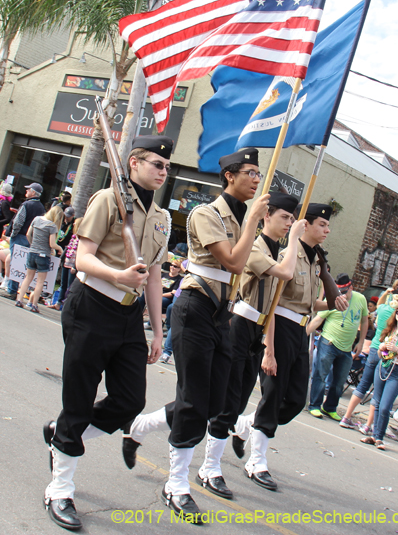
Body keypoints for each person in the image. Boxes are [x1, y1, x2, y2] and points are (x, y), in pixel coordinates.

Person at [122, 149, 270, 521]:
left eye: (258, 173)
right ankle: (177, 484)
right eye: (250, 172)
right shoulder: (207, 214)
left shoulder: (245, 218)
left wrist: (256, 222)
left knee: (218, 403)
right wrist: (253, 221)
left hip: (224, 315)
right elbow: (233, 262)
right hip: (195, 306)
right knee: (192, 400)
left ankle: (141, 425)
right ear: (229, 176)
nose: (256, 179)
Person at [43, 136, 172, 531]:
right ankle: (60, 489)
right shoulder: (107, 199)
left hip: (130, 316)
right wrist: (117, 274)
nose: (163, 172)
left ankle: (63, 433)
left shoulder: (162, 217)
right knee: (78, 398)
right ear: (133, 163)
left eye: (166, 167)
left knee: (130, 400)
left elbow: (152, 275)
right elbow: (81, 257)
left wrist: (156, 330)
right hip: (92, 305)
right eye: (156, 165)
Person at [196, 192, 305, 499]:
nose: (290, 224)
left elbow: (270, 306)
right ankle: (209, 468)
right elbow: (286, 272)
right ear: (266, 216)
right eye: (285, 217)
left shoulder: (273, 251)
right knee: (225, 404)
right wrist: (296, 239)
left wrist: (268, 348)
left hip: (256, 330)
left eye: (292, 219)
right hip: (239, 326)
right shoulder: (258, 248)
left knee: (237, 403)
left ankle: (141, 428)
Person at [235, 203, 349, 490]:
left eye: (327, 226)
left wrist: (333, 304)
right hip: (279, 329)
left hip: (301, 331)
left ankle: (248, 424)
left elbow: (309, 305)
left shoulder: (315, 261)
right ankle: (256, 460)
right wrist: (269, 349)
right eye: (322, 224)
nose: (327, 230)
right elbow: (272, 305)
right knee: (273, 394)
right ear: (305, 225)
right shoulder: (288, 256)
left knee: (297, 399)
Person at [339, 285, 398, 432]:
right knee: (378, 392)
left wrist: (386, 293)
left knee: (363, 385)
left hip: (376, 348)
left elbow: (379, 304)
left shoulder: (384, 309)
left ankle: (347, 416)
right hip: (389, 354)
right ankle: (369, 425)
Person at [361, 302, 398, 451]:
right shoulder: (391, 330)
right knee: (377, 401)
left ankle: (380, 437)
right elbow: (382, 355)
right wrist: (381, 349)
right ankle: (375, 435)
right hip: (383, 366)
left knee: (385, 406)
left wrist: (397, 350)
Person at [307, 274, 367, 421]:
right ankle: (314, 405)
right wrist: (304, 335)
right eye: (340, 291)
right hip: (329, 342)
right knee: (320, 375)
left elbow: (364, 321)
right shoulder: (333, 300)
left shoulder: (360, 299)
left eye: (345, 291)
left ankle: (330, 408)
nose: (342, 295)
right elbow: (318, 319)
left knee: (339, 381)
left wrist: (361, 342)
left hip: (347, 348)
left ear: (351, 287)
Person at [15, 205, 63, 313]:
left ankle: (19, 299)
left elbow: (28, 234)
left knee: (28, 278)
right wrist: (59, 248)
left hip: (32, 251)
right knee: (40, 281)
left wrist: (33, 244)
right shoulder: (52, 226)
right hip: (43, 254)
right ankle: (34, 304)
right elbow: (52, 244)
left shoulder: (36, 219)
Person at [1, 183, 45, 299]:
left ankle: (12, 290)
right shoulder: (41, 207)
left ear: (33, 192)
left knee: (15, 263)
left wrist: (13, 234)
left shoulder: (26, 204)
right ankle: (18, 289)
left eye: (28, 190)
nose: (26, 192)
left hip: (20, 236)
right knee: (22, 264)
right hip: (31, 238)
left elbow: (18, 222)